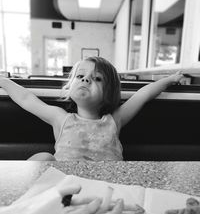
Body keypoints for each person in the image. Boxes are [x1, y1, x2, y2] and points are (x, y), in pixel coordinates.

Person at [0, 57, 183, 161]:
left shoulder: (115, 120)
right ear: (70, 86)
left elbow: (143, 94)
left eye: (97, 78)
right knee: (43, 157)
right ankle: (24, 203)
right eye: (80, 76)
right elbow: (25, 98)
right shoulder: (61, 118)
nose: (85, 79)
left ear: (109, 94)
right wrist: (3, 81)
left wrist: (169, 79)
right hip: (65, 186)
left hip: (107, 187)